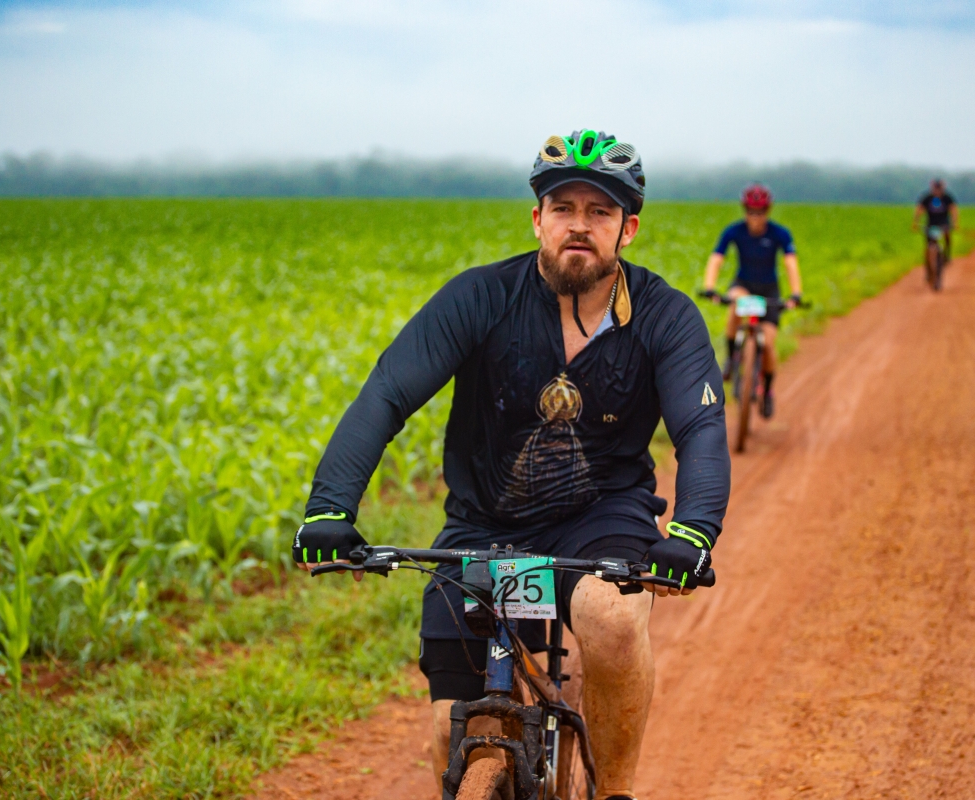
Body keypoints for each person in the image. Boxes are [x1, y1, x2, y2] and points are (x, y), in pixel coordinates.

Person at [292, 129, 730, 800]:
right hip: (482, 524)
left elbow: (700, 428)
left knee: (614, 620)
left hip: (601, 521)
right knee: (449, 735)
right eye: (563, 208)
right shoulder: (479, 297)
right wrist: (329, 508)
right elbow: (387, 395)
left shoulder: (665, 317)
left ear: (628, 229)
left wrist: (693, 531)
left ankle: (614, 791)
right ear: (537, 219)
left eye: (600, 211)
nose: (579, 225)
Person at [700, 183, 802, 419]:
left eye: (760, 212)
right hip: (743, 285)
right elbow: (717, 258)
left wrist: (795, 294)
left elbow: (790, 263)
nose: (755, 217)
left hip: (769, 292)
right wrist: (710, 287)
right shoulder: (734, 231)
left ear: (768, 211)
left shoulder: (780, 234)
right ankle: (730, 358)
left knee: (768, 344)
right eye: (751, 212)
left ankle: (767, 390)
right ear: (745, 210)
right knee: (735, 303)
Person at [913, 178, 960, 271]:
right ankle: (928, 262)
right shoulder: (927, 198)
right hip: (931, 223)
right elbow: (919, 209)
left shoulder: (947, 198)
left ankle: (947, 255)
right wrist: (916, 222)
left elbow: (953, 209)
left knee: (947, 236)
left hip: (943, 223)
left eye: (939, 189)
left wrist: (955, 223)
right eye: (935, 189)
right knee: (928, 243)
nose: (937, 191)